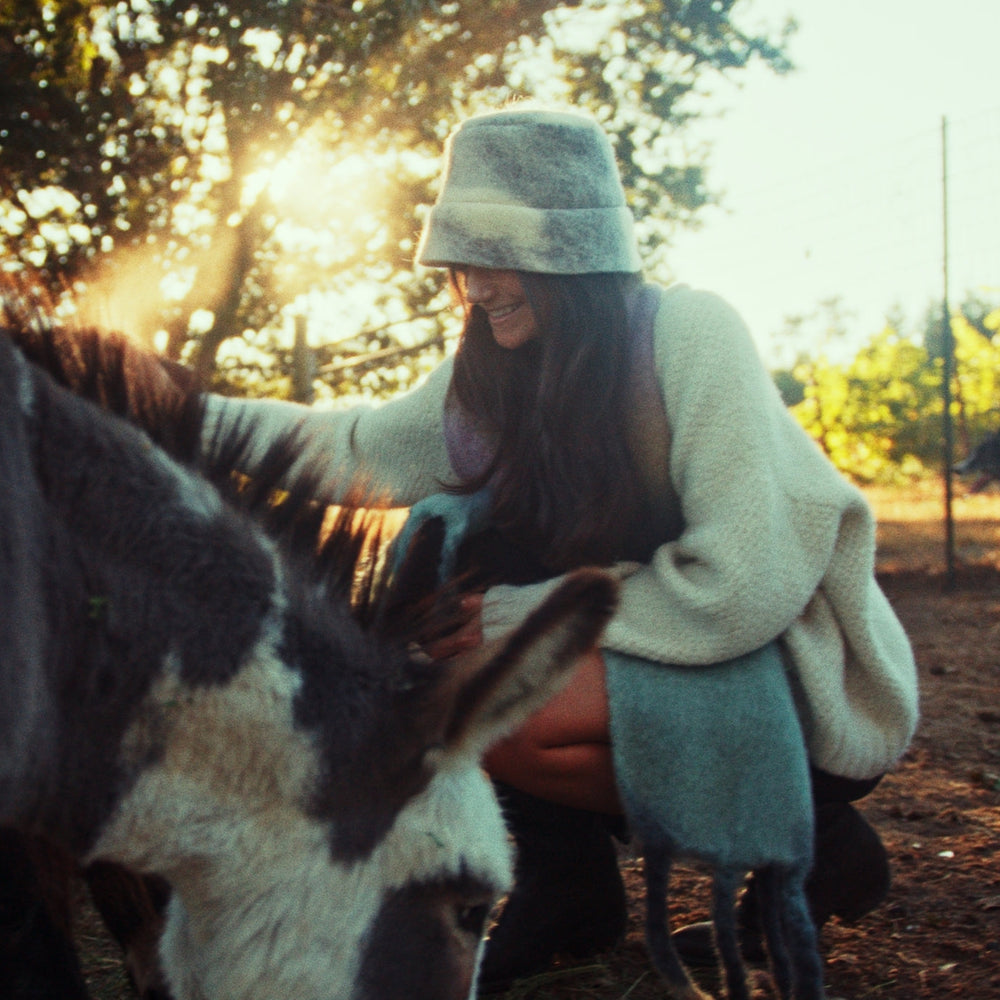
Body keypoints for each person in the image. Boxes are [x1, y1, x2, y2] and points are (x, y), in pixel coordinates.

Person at [203, 105, 919, 987]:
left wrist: (523, 615)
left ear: (569, 253)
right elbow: (354, 448)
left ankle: (810, 846)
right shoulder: (493, 374)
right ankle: (570, 886)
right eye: (462, 253)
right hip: (656, 642)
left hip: (785, 670)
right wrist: (172, 412)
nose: (474, 281)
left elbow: (745, 579)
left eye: (494, 254)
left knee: (493, 690)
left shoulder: (688, 336)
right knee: (460, 596)